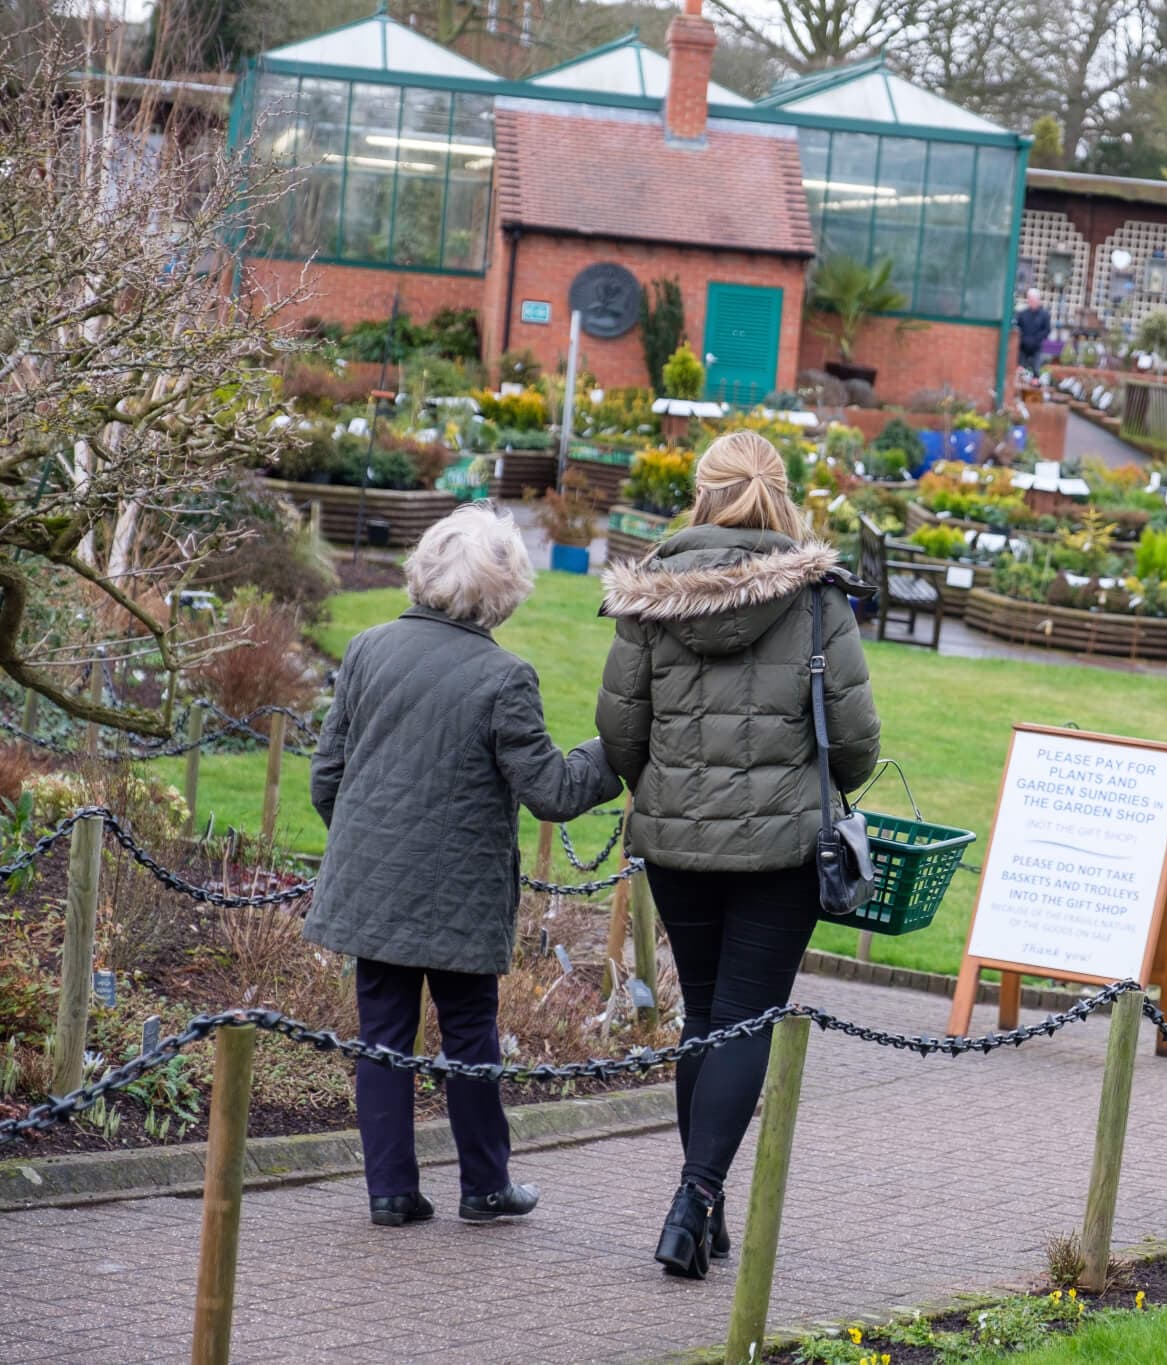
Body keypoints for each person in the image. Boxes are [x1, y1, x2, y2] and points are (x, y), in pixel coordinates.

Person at [596, 431, 880, 1279]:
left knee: (705, 1015)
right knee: (747, 1016)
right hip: (782, 849)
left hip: (678, 845)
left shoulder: (653, 596)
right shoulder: (817, 598)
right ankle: (693, 1201)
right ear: (780, 496)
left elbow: (620, 734)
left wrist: (677, 783)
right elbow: (857, 747)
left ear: (703, 493)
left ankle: (703, 1204)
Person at [305, 504, 620, 1229]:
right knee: (469, 1032)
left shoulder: (367, 648)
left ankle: (389, 1191)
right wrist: (616, 749)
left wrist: (369, 845)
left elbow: (328, 777)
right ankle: (483, 1184)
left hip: (373, 886)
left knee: (381, 1034)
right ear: (501, 590)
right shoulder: (504, 676)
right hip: (460, 896)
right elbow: (552, 791)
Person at [1015, 286, 1052, 376]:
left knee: (1036, 370)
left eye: (1033, 300)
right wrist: (1023, 338)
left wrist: (1036, 339)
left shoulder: (1044, 315)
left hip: (1036, 347)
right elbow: (1018, 328)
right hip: (1023, 348)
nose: (1031, 302)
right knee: (1021, 370)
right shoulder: (1022, 314)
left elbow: (1047, 330)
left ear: (1038, 300)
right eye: (1029, 300)